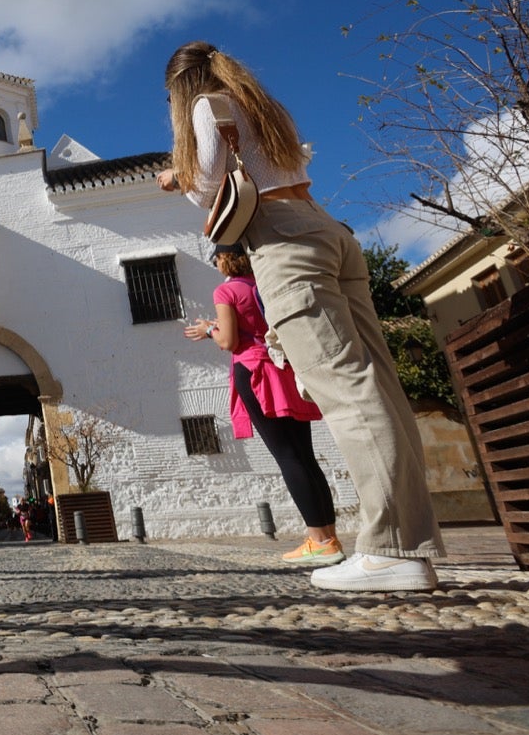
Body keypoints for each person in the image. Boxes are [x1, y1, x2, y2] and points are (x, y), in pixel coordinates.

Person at [158, 40, 443, 591]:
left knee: (344, 387)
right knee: (376, 384)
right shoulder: (258, 103)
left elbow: (210, 186)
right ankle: (408, 543)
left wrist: (178, 177)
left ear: (179, 86)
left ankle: (393, 551)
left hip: (284, 242)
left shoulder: (204, 106)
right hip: (325, 227)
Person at [184, 243, 343, 566]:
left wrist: (209, 328)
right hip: (283, 368)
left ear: (223, 260)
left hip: (254, 371)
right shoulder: (265, 285)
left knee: (287, 456)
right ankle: (328, 536)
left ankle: (318, 540)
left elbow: (229, 341)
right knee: (304, 455)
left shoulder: (227, 292)